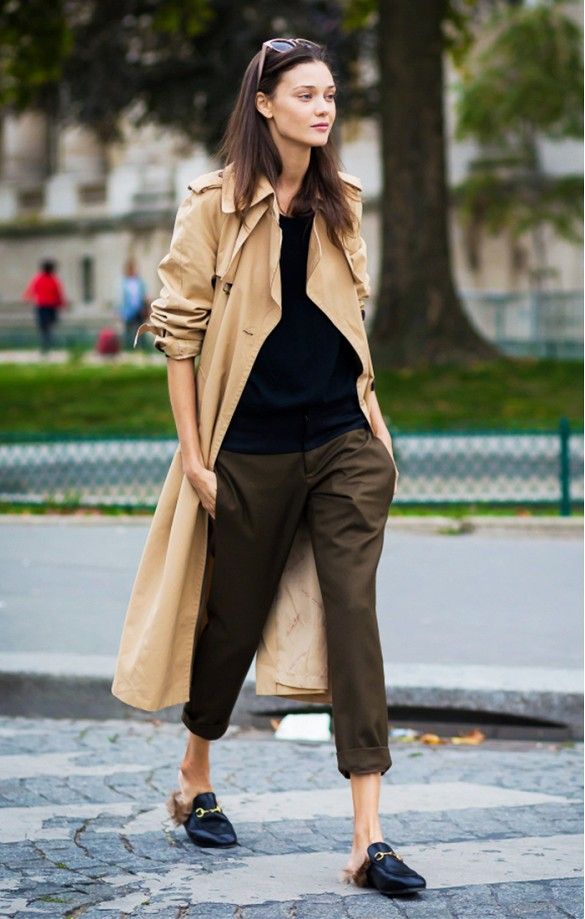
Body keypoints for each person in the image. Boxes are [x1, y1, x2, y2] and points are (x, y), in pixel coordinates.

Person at [118, 37, 426, 899]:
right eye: (305, 94)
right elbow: (176, 336)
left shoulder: (342, 203)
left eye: (330, 95)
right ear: (265, 104)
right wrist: (193, 453)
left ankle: (368, 837)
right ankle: (194, 773)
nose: (322, 109)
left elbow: (350, 318)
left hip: (342, 444)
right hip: (245, 450)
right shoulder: (212, 205)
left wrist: (374, 427)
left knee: (351, 614)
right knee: (232, 617)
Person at [22, 259, 67, 353]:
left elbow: (32, 290)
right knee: (47, 325)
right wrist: (62, 304)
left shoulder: (42, 279)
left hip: (44, 306)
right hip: (47, 306)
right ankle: (47, 343)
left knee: (45, 326)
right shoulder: (52, 280)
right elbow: (59, 294)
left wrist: (27, 297)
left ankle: (46, 343)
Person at [119, 259, 148, 349]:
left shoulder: (139, 282)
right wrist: (120, 311)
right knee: (128, 330)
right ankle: (129, 348)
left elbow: (144, 294)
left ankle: (141, 347)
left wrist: (146, 307)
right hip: (128, 311)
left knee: (140, 329)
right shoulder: (123, 283)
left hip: (139, 309)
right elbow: (121, 298)